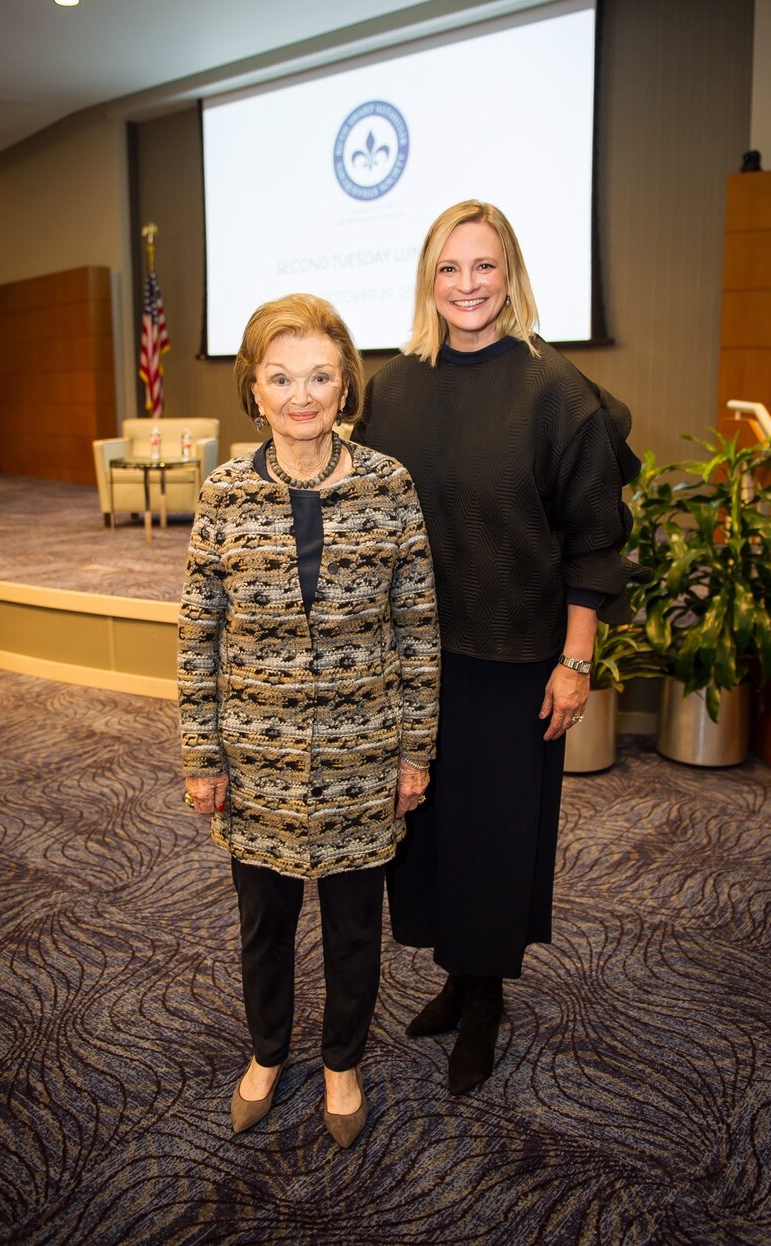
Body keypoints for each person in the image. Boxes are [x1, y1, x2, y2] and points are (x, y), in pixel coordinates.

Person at [352, 200, 647, 1096]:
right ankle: (455, 975)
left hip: (516, 657)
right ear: (427, 280)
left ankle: (485, 1001)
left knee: (496, 835)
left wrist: (577, 658)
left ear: (511, 275)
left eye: (484, 267)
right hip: (416, 661)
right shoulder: (392, 387)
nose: (467, 285)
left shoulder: (554, 389)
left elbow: (595, 534)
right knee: (431, 833)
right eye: (449, 268)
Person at [178, 293, 440, 1146]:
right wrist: (202, 755)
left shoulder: (389, 484)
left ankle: (341, 1064)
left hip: (366, 759)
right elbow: (198, 635)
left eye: (320, 375)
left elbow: (416, 628)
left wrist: (415, 752)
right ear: (253, 389)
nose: (302, 394)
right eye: (282, 376)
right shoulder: (222, 494)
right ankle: (265, 1054)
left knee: (354, 927)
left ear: (345, 385)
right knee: (265, 928)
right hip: (255, 763)